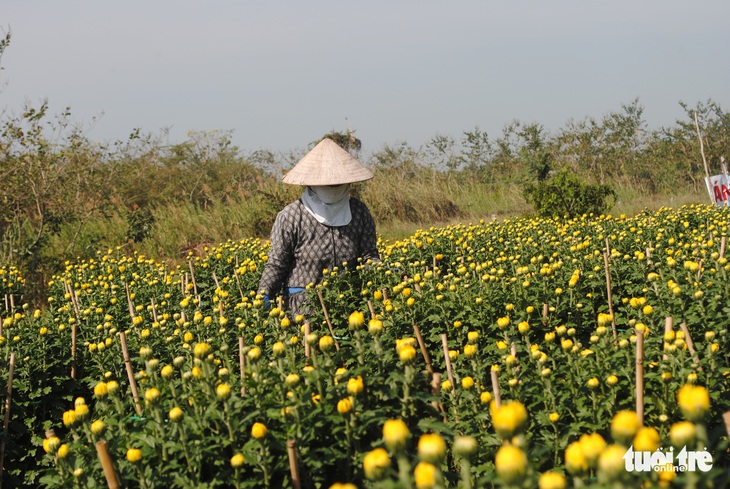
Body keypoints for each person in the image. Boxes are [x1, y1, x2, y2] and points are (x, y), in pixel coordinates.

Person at [258, 138, 381, 317]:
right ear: (312, 183)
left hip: (348, 305)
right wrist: (264, 294)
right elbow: (277, 263)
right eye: (326, 184)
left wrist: (384, 274)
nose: (332, 188)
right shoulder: (291, 217)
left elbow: (369, 256)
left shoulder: (359, 212)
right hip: (303, 308)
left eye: (336, 184)